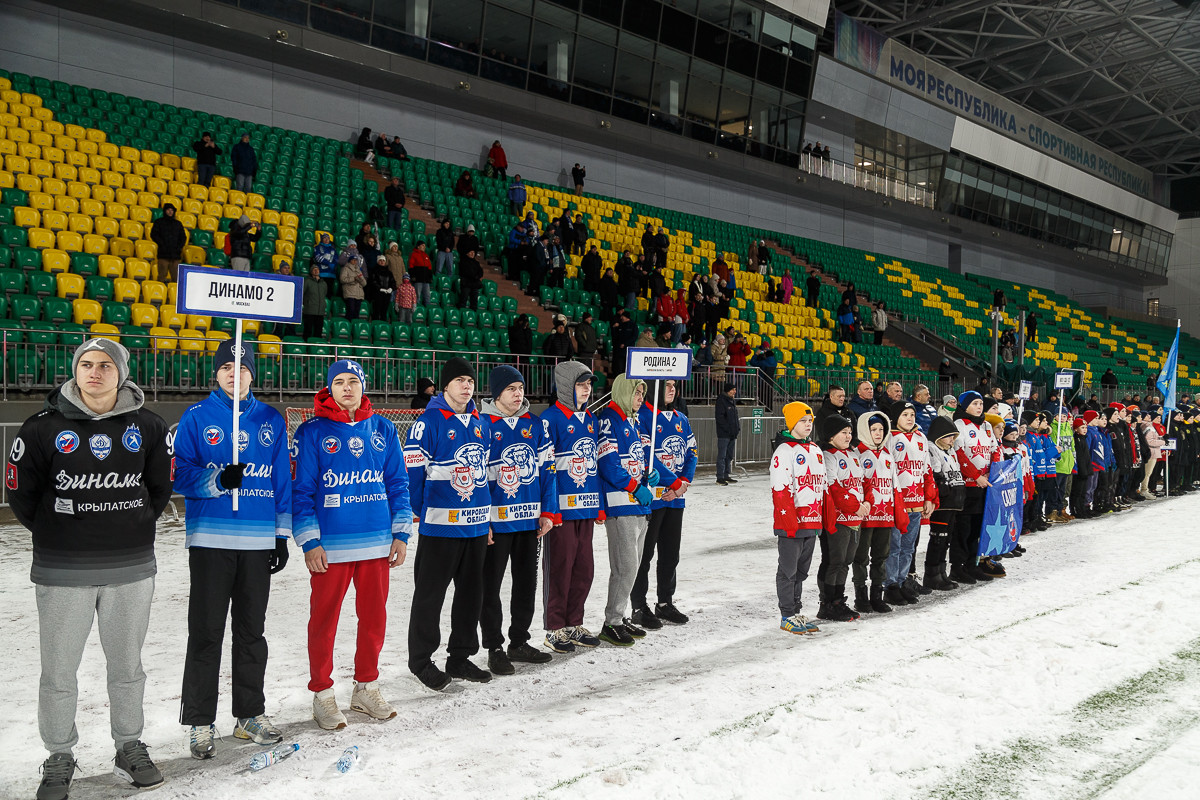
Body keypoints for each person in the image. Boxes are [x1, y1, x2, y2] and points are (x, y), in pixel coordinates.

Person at [9, 339, 172, 798]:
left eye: (104, 365)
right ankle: (59, 754)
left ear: (121, 373)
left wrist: (131, 524)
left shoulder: (150, 426)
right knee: (58, 670)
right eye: (85, 364)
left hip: (132, 568)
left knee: (127, 666)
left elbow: (158, 490)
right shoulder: (41, 428)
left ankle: (129, 745)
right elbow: (21, 497)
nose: (94, 372)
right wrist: (60, 533)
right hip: (63, 570)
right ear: (74, 370)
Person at [174, 341, 291, 759]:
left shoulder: (270, 420)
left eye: (241, 367)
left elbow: (282, 482)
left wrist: (279, 534)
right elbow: (179, 474)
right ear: (216, 374)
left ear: (252, 375)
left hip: (257, 544)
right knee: (206, 633)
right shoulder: (196, 417)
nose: (232, 373)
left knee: (251, 633)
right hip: (210, 542)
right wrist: (218, 480)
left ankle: (249, 714)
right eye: (225, 367)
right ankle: (200, 722)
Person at [292, 360, 414, 728]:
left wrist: (401, 533)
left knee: (374, 618)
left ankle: (365, 687)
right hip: (330, 547)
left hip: (377, 544)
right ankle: (323, 695)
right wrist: (310, 540)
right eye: (339, 382)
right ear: (330, 388)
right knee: (324, 620)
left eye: (353, 381)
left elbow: (398, 484)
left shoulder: (384, 428)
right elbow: (302, 492)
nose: (347, 388)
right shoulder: (312, 432)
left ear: (364, 386)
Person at [404, 358, 494, 690]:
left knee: (471, 595)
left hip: (475, 527)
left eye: (469, 380)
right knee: (430, 596)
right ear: (445, 386)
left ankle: (460, 656)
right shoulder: (427, 422)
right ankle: (420, 660)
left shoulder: (480, 422)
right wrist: (426, 513)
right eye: (459, 380)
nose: (466, 385)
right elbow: (412, 476)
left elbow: (483, 476)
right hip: (440, 529)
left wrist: (485, 520)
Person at [480, 366, 559, 675]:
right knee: (491, 587)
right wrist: (482, 520)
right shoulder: (482, 425)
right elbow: (478, 479)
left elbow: (548, 471)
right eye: (511, 388)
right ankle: (494, 647)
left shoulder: (536, 424)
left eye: (520, 388)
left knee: (526, 584)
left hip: (529, 522)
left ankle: (519, 641)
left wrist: (549, 512)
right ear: (497, 392)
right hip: (496, 524)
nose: (518, 393)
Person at [597, 375, 678, 646]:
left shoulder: (632, 420)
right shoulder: (610, 419)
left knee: (633, 566)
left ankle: (619, 617)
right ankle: (612, 621)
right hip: (621, 506)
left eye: (643, 393)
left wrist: (650, 475)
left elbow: (638, 457)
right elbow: (609, 465)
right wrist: (635, 486)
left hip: (639, 506)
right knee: (626, 567)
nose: (640, 398)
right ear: (622, 392)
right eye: (636, 393)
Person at [540, 361, 603, 653]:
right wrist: (550, 509)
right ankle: (555, 627)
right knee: (560, 569)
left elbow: (595, 465)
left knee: (584, 568)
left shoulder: (590, 418)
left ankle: (574, 621)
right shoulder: (550, 419)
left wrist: (599, 502)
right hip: (562, 512)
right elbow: (547, 468)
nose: (587, 390)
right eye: (581, 384)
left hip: (586, 508)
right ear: (566, 386)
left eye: (589, 385)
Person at [632, 379, 697, 628]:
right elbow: (647, 458)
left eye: (674, 385)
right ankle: (639, 605)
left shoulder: (681, 418)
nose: (672, 389)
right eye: (666, 385)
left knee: (670, 554)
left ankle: (665, 602)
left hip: (675, 498)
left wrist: (683, 483)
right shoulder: (644, 415)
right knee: (645, 554)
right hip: (653, 498)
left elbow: (692, 452)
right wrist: (674, 483)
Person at [770, 402, 827, 635]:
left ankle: (796, 610)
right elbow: (780, 488)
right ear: (792, 423)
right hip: (792, 523)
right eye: (803, 421)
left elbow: (822, 486)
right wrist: (788, 521)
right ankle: (787, 614)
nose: (808, 425)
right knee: (788, 570)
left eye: (810, 421)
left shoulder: (815, 449)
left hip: (812, 522)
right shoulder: (784, 451)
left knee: (801, 571)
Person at [885, 401, 936, 606]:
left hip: (916, 502)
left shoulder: (921, 437)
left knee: (908, 547)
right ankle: (890, 585)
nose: (909, 418)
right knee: (894, 546)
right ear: (896, 417)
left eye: (912, 414)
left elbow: (926, 470)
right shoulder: (890, 437)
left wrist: (929, 497)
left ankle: (902, 580)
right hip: (897, 502)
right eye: (905, 414)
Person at [817, 414, 865, 622]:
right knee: (834, 561)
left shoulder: (853, 454)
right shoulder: (828, 455)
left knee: (846, 561)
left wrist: (866, 503)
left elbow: (862, 481)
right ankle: (827, 603)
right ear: (830, 435)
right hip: (838, 518)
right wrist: (855, 506)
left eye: (850, 432)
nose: (848, 436)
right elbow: (832, 487)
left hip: (855, 518)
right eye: (843, 432)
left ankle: (838, 600)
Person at [949, 392, 1002, 584]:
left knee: (978, 528)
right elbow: (959, 454)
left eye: (981, 403)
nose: (979, 407)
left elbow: (995, 451)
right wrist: (976, 475)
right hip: (967, 486)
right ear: (964, 406)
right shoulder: (959, 426)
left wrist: (991, 473)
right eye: (975, 403)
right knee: (963, 528)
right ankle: (957, 567)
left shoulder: (987, 426)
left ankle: (973, 564)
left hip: (985, 484)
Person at [853, 410, 900, 615]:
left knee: (881, 556)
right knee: (861, 557)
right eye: (873, 429)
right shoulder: (858, 453)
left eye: (881, 429)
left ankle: (877, 596)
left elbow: (894, 485)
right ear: (865, 430)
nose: (878, 433)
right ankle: (860, 597)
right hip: (866, 515)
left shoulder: (888, 455)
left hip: (885, 515)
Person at [924, 415, 964, 591]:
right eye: (949, 436)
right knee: (938, 539)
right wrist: (944, 489)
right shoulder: (932, 449)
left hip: (954, 501)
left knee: (946, 539)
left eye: (954, 437)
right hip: (943, 503)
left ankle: (942, 572)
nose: (952, 440)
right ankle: (932, 575)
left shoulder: (951, 451)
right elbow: (936, 473)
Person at [149, 202, 187, 283]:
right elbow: (154, 235)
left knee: (176, 277)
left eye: (172, 210)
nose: (170, 212)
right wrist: (162, 245)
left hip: (176, 256)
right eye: (168, 210)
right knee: (162, 276)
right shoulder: (159, 222)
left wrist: (179, 247)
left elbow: (183, 237)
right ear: (165, 211)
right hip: (163, 255)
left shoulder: (178, 224)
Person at [715, 381, 739, 485]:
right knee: (722, 456)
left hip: (732, 434)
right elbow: (720, 418)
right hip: (724, 434)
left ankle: (726, 475)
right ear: (728, 390)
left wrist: (737, 429)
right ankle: (720, 477)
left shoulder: (731, 401)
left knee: (729, 455)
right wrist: (728, 429)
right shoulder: (721, 401)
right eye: (733, 389)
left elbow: (734, 417)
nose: (735, 391)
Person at [303, 263, 328, 340]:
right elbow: (302, 292)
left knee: (318, 331)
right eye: (314, 269)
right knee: (308, 331)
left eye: (317, 269)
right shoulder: (307, 281)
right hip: (310, 310)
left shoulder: (323, 283)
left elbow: (324, 294)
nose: (316, 271)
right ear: (311, 272)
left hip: (320, 311)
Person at [368, 254, 396, 320]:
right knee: (376, 311)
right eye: (380, 260)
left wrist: (391, 288)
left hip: (386, 294)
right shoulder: (374, 271)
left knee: (384, 311)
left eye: (383, 260)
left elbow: (393, 282)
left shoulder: (389, 272)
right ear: (378, 261)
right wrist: (380, 289)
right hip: (377, 294)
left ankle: (384, 326)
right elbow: (373, 281)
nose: (382, 262)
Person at [340, 255, 366, 320]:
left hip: (359, 294)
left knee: (356, 313)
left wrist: (361, 279)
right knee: (350, 311)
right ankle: (348, 326)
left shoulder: (358, 270)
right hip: (350, 293)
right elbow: (342, 279)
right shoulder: (345, 268)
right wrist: (354, 278)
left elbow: (364, 283)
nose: (355, 261)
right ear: (350, 261)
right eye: (353, 260)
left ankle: (354, 328)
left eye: (356, 260)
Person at [408, 240, 433, 307]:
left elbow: (429, 267)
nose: (424, 247)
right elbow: (410, 266)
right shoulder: (413, 254)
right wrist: (412, 276)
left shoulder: (426, 255)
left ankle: (427, 311)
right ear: (418, 246)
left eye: (424, 246)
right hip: (418, 279)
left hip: (426, 280)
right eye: (422, 245)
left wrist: (430, 277)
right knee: (417, 296)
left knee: (427, 296)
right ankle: (416, 311)